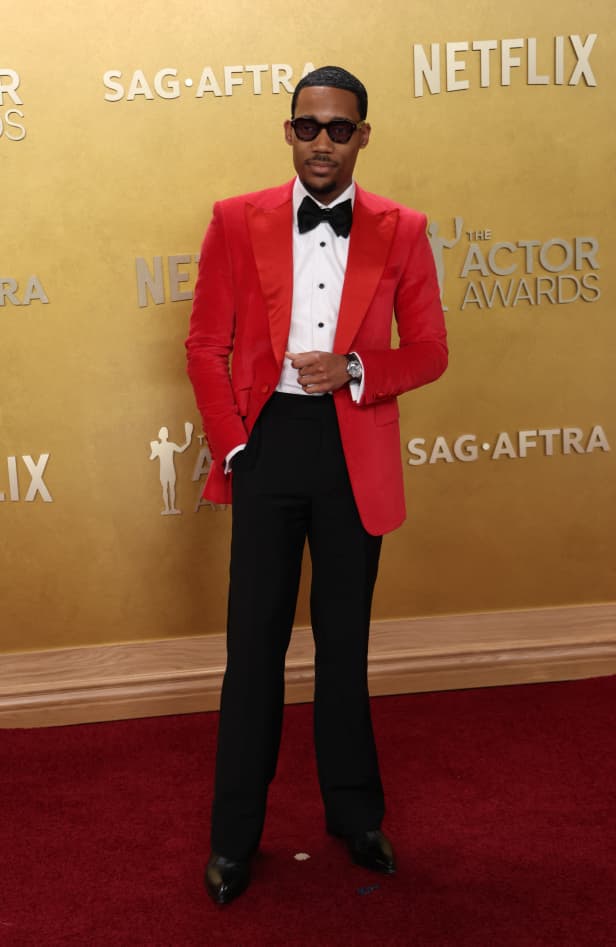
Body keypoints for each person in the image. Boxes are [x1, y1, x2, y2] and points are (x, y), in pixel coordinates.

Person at [185, 65, 448, 905]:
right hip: (266, 450)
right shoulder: (235, 220)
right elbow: (203, 345)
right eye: (308, 127)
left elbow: (432, 350)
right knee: (251, 652)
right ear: (288, 130)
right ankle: (233, 837)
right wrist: (233, 446)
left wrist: (357, 367)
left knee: (345, 646)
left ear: (363, 135)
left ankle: (355, 815)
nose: (323, 142)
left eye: (340, 128)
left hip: (351, 449)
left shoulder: (403, 230)